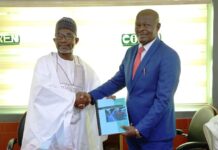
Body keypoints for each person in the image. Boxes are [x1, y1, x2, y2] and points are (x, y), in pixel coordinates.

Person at [75, 9, 181, 150]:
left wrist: (140, 129)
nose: (141, 29)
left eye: (147, 25)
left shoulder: (169, 55)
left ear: (158, 27)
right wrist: (91, 96)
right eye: (138, 25)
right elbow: (117, 81)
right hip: (131, 128)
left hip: (155, 135)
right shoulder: (131, 52)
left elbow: (163, 100)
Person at [21, 17, 105, 150]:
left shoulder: (85, 68)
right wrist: (73, 99)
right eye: (60, 36)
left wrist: (106, 101)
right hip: (53, 133)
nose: (64, 40)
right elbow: (41, 93)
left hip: (78, 132)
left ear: (76, 40)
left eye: (68, 36)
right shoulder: (44, 63)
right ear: (54, 40)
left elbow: (95, 92)